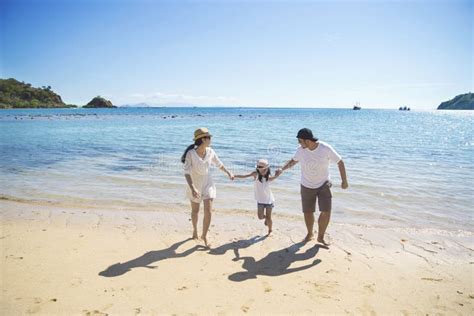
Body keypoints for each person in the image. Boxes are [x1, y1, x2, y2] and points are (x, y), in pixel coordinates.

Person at [277, 128, 348, 245]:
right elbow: (293, 161)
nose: (299, 144)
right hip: (306, 185)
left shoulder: (325, 148)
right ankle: (310, 233)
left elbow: (340, 162)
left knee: (326, 211)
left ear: (308, 140)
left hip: (323, 184)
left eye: (300, 141)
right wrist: (282, 169)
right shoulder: (301, 150)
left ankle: (320, 237)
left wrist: (344, 180)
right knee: (308, 212)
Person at [181, 127, 234, 247]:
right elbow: (187, 172)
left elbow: (219, 164)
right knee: (195, 211)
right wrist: (193, 188)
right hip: (194, 184)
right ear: (203, 139)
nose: (210, 139)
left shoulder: (210, 151)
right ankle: (195, 230)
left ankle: (205, 235)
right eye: (209, 137)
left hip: (208, 183)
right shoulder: (191, 154)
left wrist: (228, 172)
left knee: (208, 211)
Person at [234, 159, 281, 235]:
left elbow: (275, 177)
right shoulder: (255, 174)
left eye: (263, 169)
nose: (262, 171)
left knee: (269, 218)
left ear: (267, 169)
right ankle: (266, 219)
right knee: (260, 217)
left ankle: (270, 230)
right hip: (260, 201)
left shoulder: (268, 177)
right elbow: (245, 176)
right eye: (260, 169)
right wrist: (235, 176)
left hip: (269, 200)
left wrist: (278, 174)